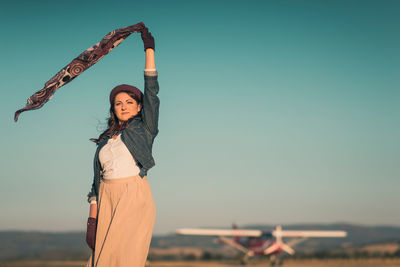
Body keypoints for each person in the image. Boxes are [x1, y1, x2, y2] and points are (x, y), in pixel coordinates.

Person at [85, 25, 159, 267]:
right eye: (118, 103)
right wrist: (92, 220)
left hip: (132, 195)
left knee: (125, 259)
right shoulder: (105, 142)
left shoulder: (144, 128)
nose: (124, 106)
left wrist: (149, 49)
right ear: (113, 109)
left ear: (139, 107)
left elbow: (151, 91)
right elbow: (95, 184)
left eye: (129, 102)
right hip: (106, 196)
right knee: (100, 259)